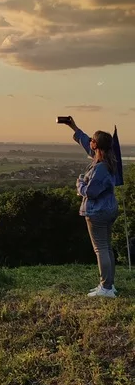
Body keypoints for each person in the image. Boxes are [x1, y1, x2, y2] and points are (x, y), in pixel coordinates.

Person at [61, 117, 119, 298]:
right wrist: (73, 126)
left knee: (100, 248)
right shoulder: (108, 159)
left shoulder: (100, 167)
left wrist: (79, 184)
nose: (90, 142)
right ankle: (108, 285)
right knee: (106, 247)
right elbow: (85, 141)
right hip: (108, 210)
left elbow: (91, 192)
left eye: (93, 140)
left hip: (98, 211)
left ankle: (106, 288)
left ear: (97, 146)